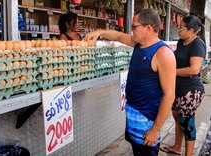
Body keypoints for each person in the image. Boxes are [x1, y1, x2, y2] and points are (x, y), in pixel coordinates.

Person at [85, 9, 176, 156]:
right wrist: (99, 32)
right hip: (133, 112)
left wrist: (156, 129)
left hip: (147, 119)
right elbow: (119, 36)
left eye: (134, 27)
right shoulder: (138, 44)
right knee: (136, 150)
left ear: (148, 28)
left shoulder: (163, 54)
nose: (131, 30)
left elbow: (170, 95)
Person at [160, 15, 206, 156]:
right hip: (177, 88)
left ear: (191, 30)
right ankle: (177, 147)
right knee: (177, 118)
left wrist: (170, 71)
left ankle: (189, 154)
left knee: (187, 122)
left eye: (181, 28)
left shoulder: (198, 44)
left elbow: (194, 69)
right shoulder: (181, 42)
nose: (178, 30)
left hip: (190, 91)